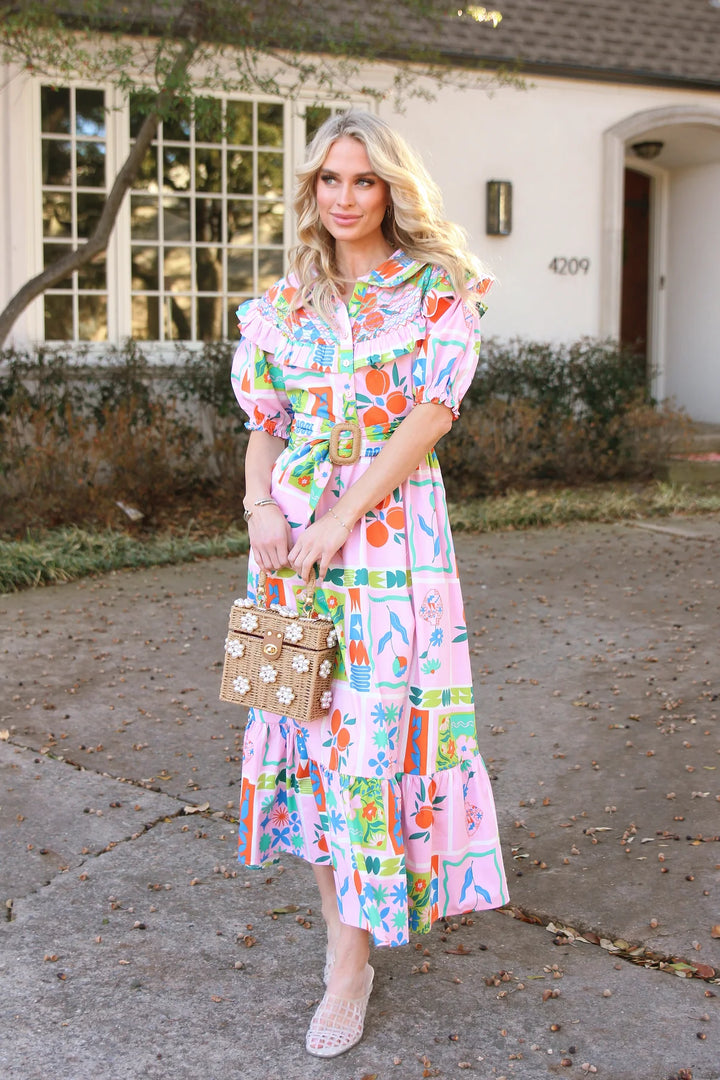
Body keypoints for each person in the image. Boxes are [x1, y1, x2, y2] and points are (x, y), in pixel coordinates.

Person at [230, 110, 508, 1058]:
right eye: (330, 182)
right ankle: (341, 955)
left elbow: (433, 413)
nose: (344, 199)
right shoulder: (282, 302)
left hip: (392, 549)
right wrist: (259, 503)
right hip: (288, 558)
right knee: (307, 742)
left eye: (364, 181)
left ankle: (351, 968)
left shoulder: (435, 291)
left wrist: (346, 514)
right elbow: (268, 421)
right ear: (312, 190)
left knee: (368, 749)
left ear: (392, 188)